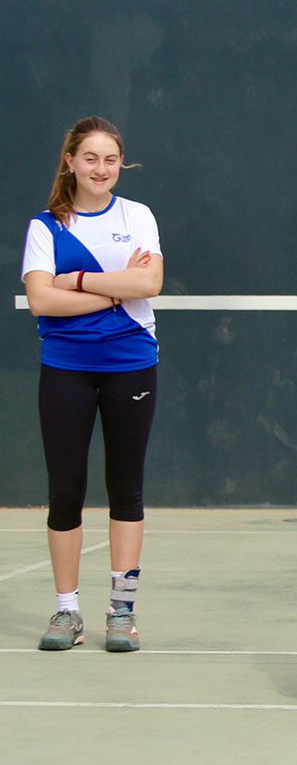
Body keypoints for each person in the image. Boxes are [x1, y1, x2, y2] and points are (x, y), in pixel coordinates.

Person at [21, 116, 164, 653]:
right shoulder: (46, 228)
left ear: (119, 164)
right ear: (71, 162)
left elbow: (148, 282)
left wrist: (78, 282)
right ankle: (66, 613)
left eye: (110, 160)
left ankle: (121, 613)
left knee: (126, 489)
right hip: (65, 368)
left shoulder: (138, 216)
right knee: (65, 492)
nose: (101, 169)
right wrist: (116, 289)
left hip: (131, 363)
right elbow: (42, 301)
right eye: (90, 159)